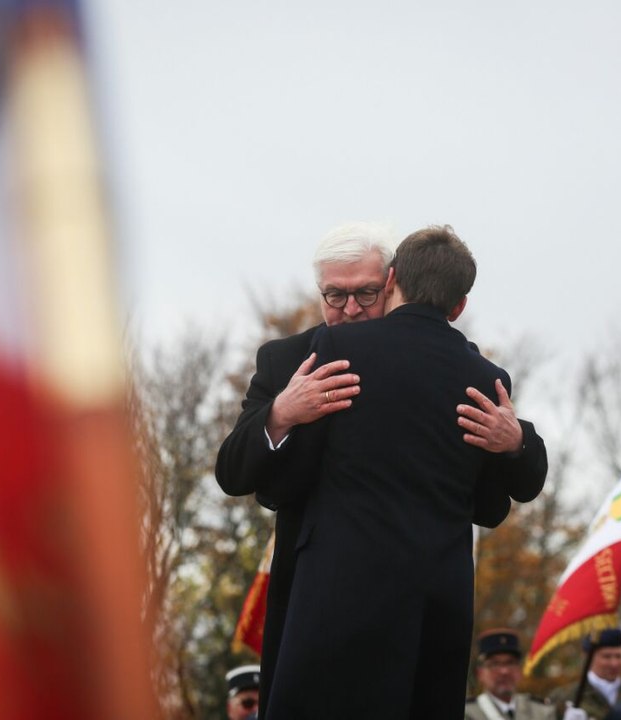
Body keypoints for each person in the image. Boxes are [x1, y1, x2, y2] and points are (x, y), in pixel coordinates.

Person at [216, 222, 547, 718]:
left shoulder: (465, 370)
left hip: (383, 609)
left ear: (391, 284)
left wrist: (516, 442)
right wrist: (282, 414)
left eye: (365, 294)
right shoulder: (288, 360)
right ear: (318, 291)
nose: (350, 309)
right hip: (317, 595)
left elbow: (492, 498)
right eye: (335, 295)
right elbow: (234, 473)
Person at [466, 629, 556, 720]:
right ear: (480, 673)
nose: (504, 671)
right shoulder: (466, 713)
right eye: (495, 664)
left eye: (510, 663)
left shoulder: (541, 711)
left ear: (520, 670)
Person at [549, 628, 621, 720]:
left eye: (619, 656)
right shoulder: (564, 698)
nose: (614, 663)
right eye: (606, 656)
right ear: (588, 658)